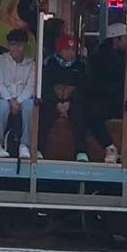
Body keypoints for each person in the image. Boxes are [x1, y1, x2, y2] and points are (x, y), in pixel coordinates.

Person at [85, 21, 127, 164]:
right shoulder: (101, 58)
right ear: (116, 40)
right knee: (90, 113)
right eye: (126, 38)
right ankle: (109, 146)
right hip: (107, 102)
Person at [40, 32, 88, 161]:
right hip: (52, 101)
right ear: (59, 50)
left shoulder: (80, 66)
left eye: (73, 50)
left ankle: (81, 151)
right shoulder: (49, 64)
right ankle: (38, 149)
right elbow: (45, 87)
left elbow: (82, 88)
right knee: (44, 113)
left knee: (79, 114)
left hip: (72, 103)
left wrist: (69, 103)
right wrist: (56, 102)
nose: (71, 53)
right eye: (67, 49)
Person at [0, 29, 36, 158]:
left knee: (30, 106)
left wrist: (18, 101)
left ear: (25, 45)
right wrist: (10, 100)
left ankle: (25, 145)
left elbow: (31, 87)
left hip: (24, 99)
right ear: (8, 45)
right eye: (12, 44)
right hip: (4, 98)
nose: (16, 48)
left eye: (20, 44)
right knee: (1, 107)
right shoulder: (0, 60)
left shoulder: (32, 63)